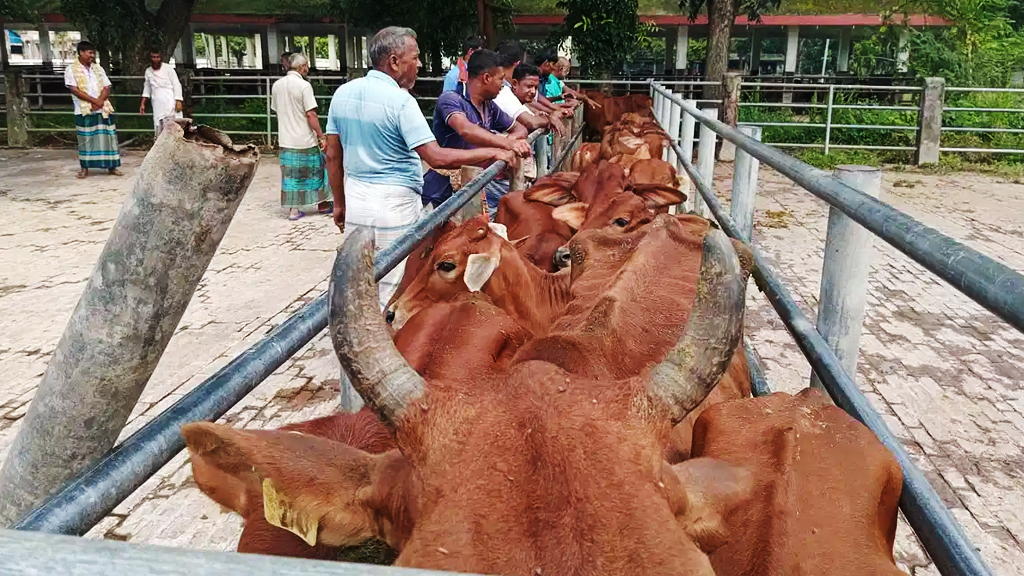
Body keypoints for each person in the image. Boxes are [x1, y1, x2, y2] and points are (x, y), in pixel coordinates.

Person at [324, 26, 514, 310]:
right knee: (394, 281)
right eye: (415, 57)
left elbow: (332, 155)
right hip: (393, 203)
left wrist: (339, 202)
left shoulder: (343, 93)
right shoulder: (401, 101)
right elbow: (435, 157)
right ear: (394, 61)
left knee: (360, 277)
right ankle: (388, 346)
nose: (420, 64)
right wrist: (496, 150)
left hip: (356, 196)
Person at [425, 49, 531, 219]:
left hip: (476, 183)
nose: (504, 84)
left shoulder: (489, 106)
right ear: (487, 78)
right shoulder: (451, 99)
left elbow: (521, 129)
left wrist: (509, 141)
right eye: (501, 79)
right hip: (444, 189)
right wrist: (506, 145)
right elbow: (466, 130)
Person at [271, 52, 332, 221]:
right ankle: (323, 204)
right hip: (305, 139)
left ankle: (293, 210)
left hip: (286, 139)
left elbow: (276, 110)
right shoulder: (304, 86)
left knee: (291, 176)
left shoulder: (276, 85)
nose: (308, 69)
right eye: (307, 66)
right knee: (318, 172)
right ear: (302, 67)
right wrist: (321, 135)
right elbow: (311, 114)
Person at [64, 41, 122, 179]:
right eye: (89, 53)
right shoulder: (71, 69)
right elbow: (74, 89)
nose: (92, 56)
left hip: (102, 107)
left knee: (108, 138)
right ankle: (85, 168)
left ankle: (112, 166)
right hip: (84, 109)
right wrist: (94, 101)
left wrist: (100, 101)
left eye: (93, 53)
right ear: (81, 53)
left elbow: (107, 86)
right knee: (85, 139)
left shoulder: (98, 68)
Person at [492, 40, 565, 137]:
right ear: (518, 64)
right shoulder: (502, 91)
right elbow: (531, 122)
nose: (533, 91)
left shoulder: (503, 89)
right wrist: (550, 117)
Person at [139, 49, 183, 137]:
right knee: (158, 123)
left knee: (173, 122)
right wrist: (143, 103)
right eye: (153, 57)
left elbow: (176, 84)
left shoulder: (168, 69)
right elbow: (147, 87)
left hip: (170, 99)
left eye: (157, 57)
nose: (155, 60)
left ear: (161, 58)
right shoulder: (148, 71)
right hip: (157, 102)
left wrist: (178, 100)